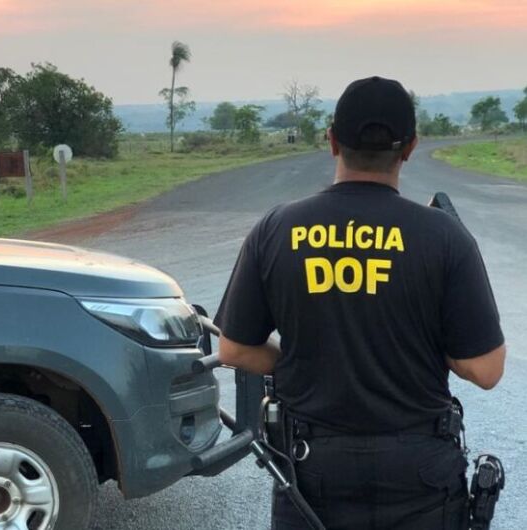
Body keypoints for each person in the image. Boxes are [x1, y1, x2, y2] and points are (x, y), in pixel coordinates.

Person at [214, 76, 506, 530]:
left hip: (311, 470)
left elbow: (233, 350)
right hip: (420, 475)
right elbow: (485, 370)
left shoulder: (277, 229)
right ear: (409, 148)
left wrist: (299, 360)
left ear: (332, 141)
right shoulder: (445, 237)